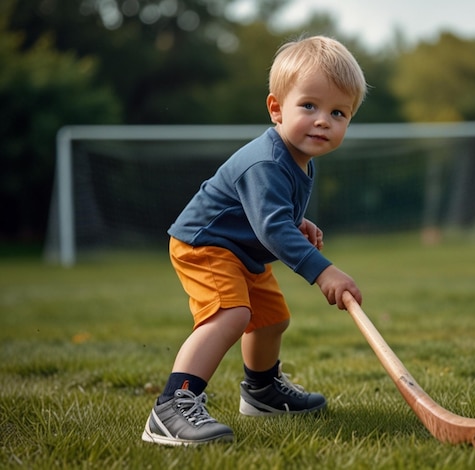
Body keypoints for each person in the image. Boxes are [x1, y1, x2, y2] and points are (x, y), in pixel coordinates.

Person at [141, 35, 367, 446]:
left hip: (241, 252)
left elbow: (271, 214)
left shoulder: (298, 159)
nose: (323, 120)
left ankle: (262, 391)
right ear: (276, 108)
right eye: (309, 106)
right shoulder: (267, 160)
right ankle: (173, 405)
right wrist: (323, 272)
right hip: (206, 245)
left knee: (272, 318)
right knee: (231, 314)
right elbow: (271, 228)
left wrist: (298, 221)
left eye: (339, 112)